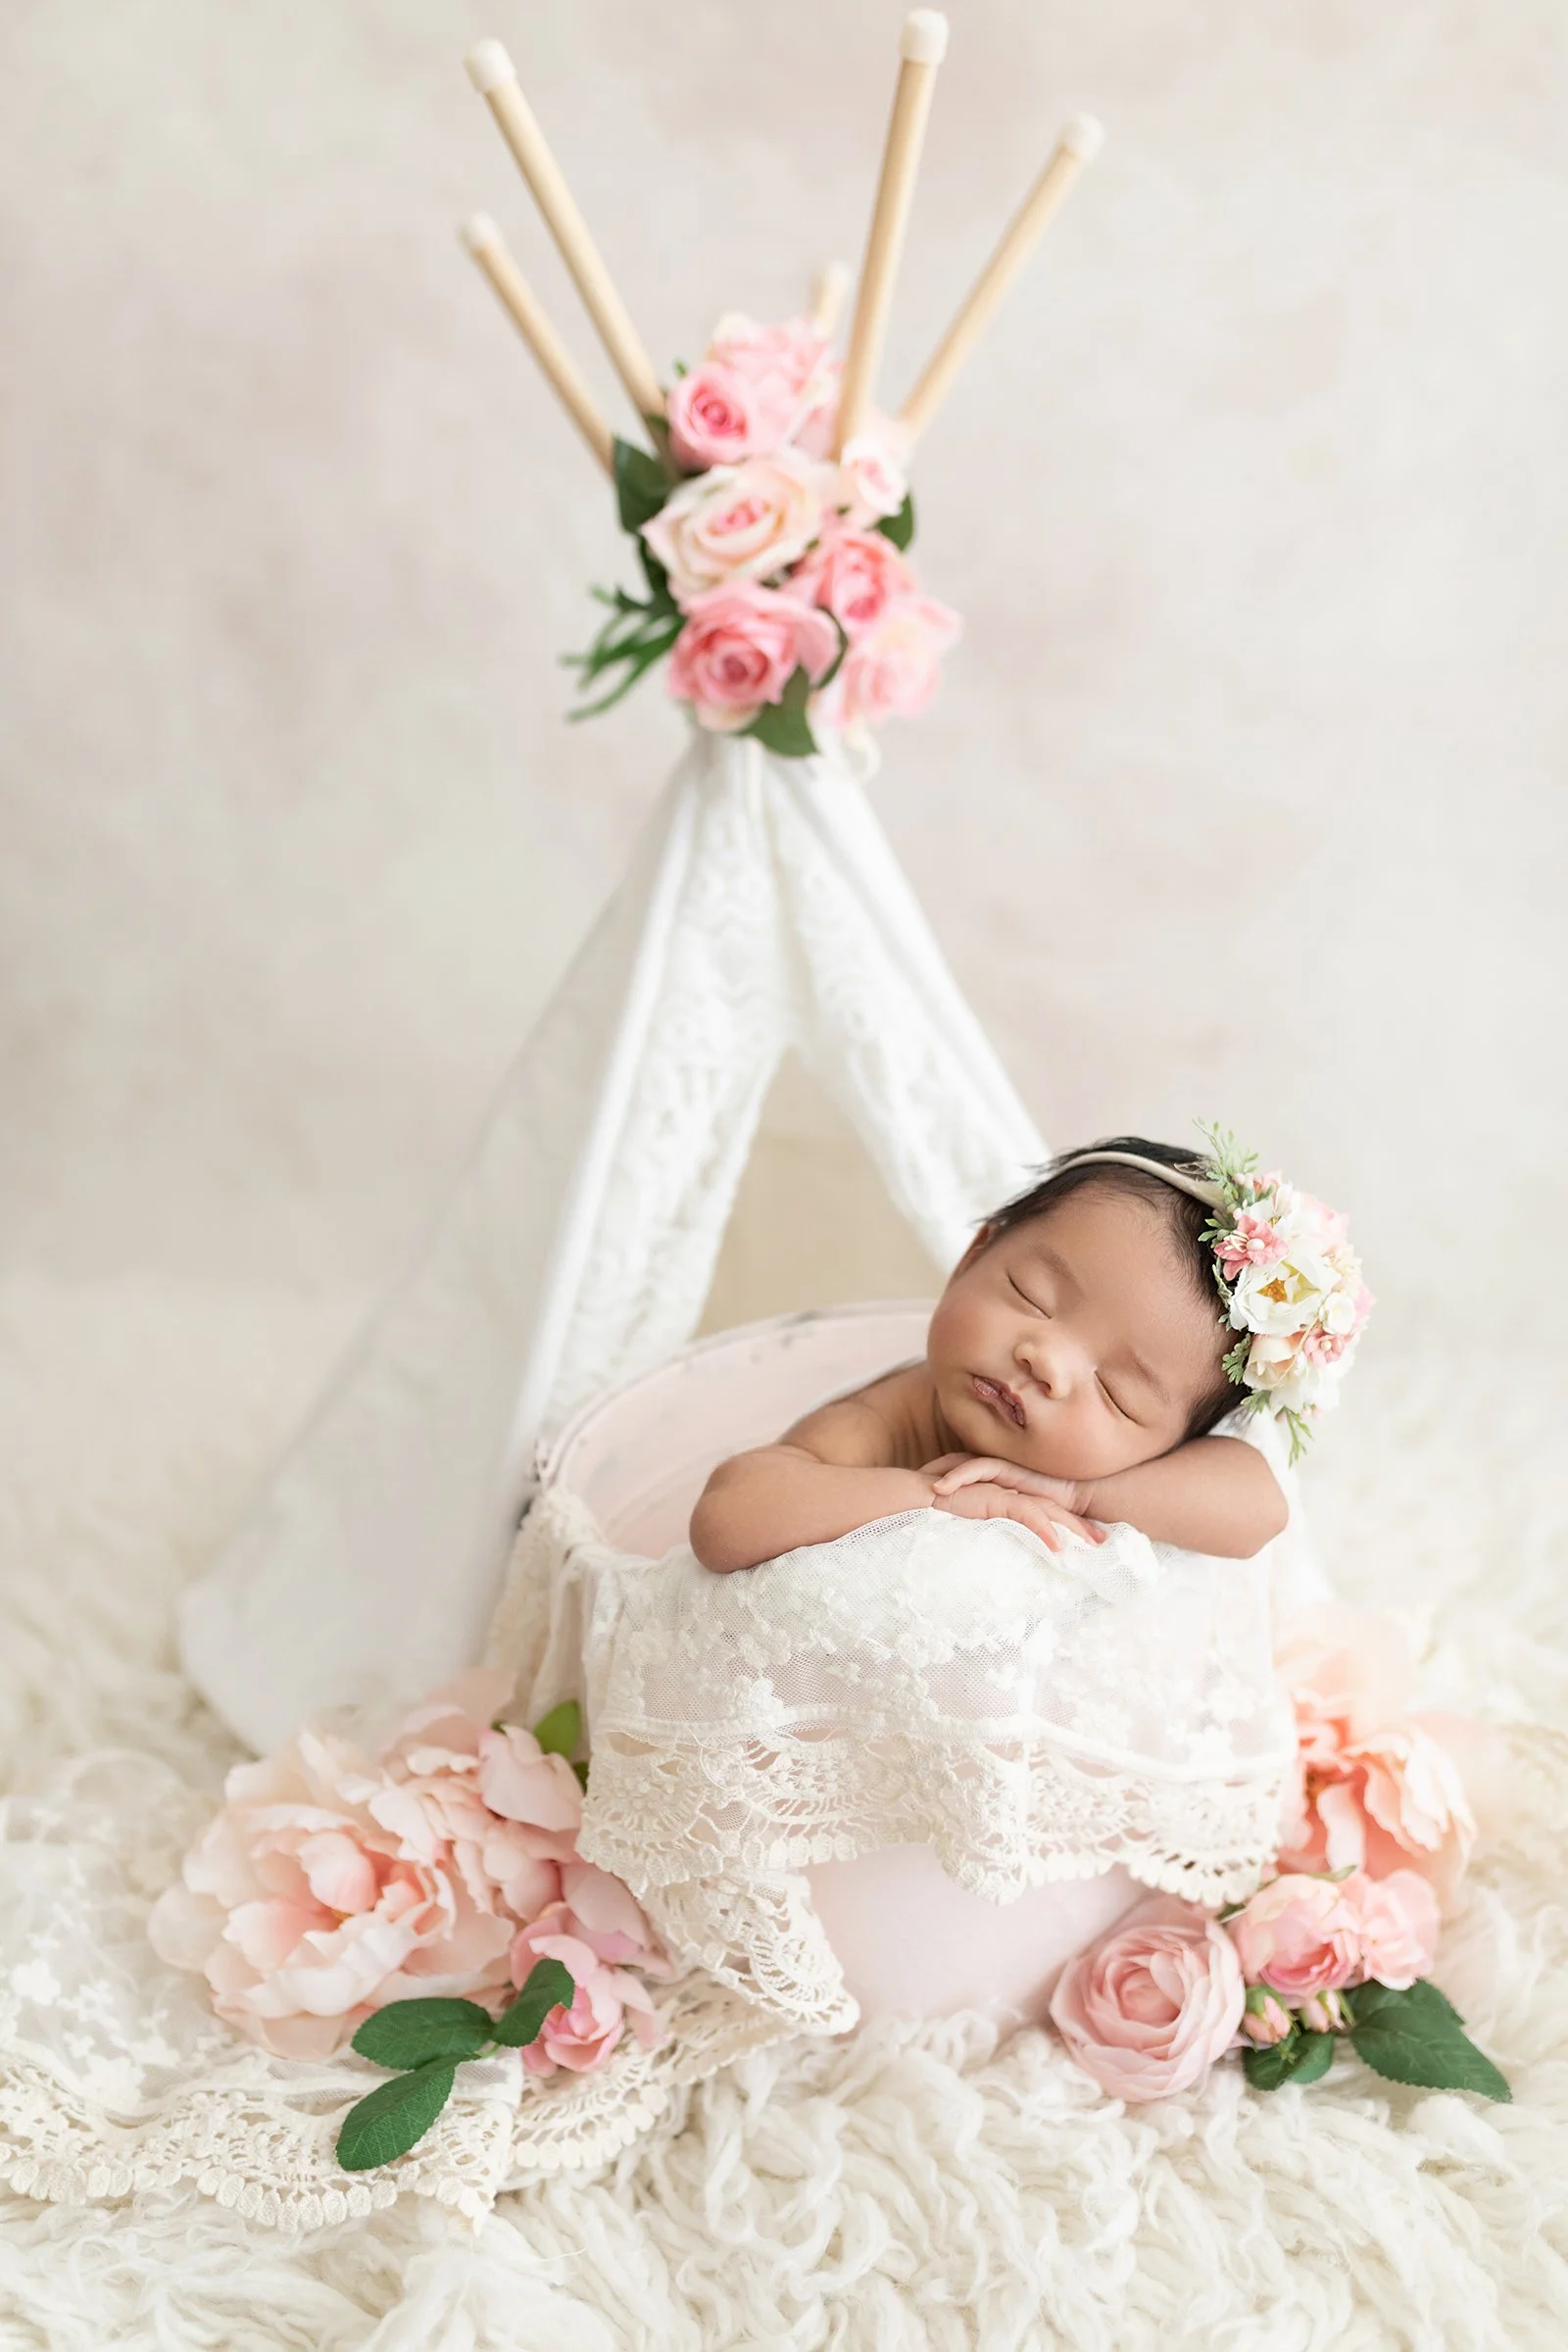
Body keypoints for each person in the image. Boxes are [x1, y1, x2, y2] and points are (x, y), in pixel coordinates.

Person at [689, 1132, 1365, 1577]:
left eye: (1118, 1394)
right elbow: (728, 1517)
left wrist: (1078, 1491)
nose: (1048, 1360)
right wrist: (935, 1499)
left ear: (1171, 1441)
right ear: (972, 1257)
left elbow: (1261, 1511)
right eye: (1033, 1297)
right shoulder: (889, 1420)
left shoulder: (1121, 1472)